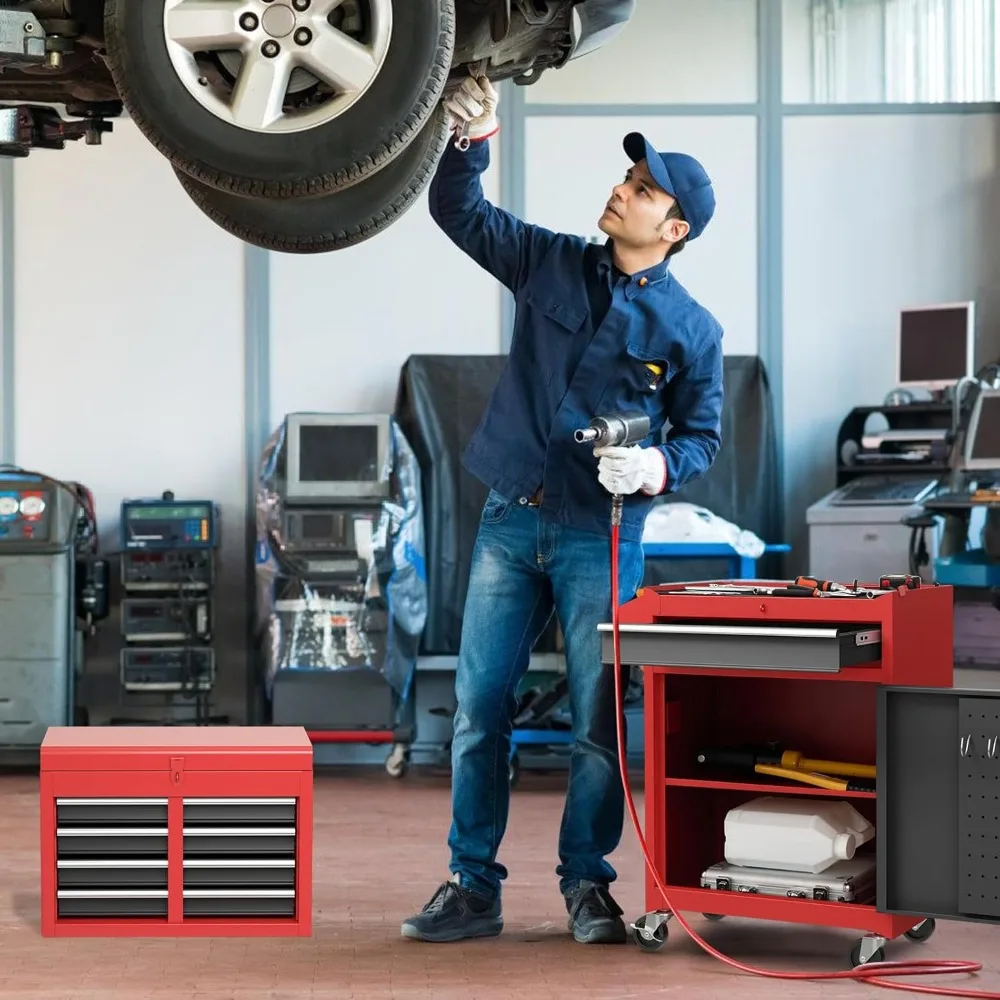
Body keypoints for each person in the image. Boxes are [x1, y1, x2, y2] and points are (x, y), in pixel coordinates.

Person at [401, 73, 724, 946]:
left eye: (644, 190)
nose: (622, 190)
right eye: (628, 180)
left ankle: (588, 885)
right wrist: (474, 137)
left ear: (675, 229)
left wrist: (657, 465)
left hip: (600, 539)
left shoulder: (693, 332)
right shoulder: (547, 260)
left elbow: (703, 437)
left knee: (596, 725)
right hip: (510, 519)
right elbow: (458, 212)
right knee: (478, 711)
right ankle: (473, 886)